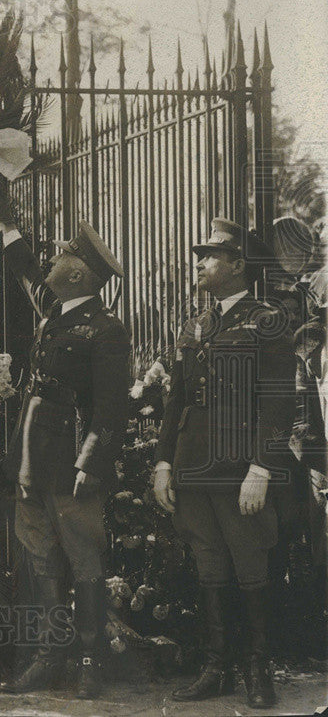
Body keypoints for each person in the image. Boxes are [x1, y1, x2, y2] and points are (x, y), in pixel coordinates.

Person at [0, 206, 130, 700]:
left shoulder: (106, 328)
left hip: (72, 466)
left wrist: (89, 464)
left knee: (84, 561)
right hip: (34, 459)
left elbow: (111, 408)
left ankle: (90, 660)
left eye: (63, 253)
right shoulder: (55, 312)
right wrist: (5, 225)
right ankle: (50, 657)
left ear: (76, 273)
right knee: (41, 560)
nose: (53, 257)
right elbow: (27, 270)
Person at [153, 218, 296, 709]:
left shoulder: (269, 320)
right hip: (193, 463)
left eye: (211, 255)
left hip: (240, 468)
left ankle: (259, 668)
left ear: (238, 265)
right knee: (209, 564)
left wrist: (261, 469)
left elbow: (278, 404)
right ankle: (218, 667)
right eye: (201, 254)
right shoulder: (193, 324)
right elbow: (175, 402)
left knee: (250, 562)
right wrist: (163, 463)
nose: (200, 262)